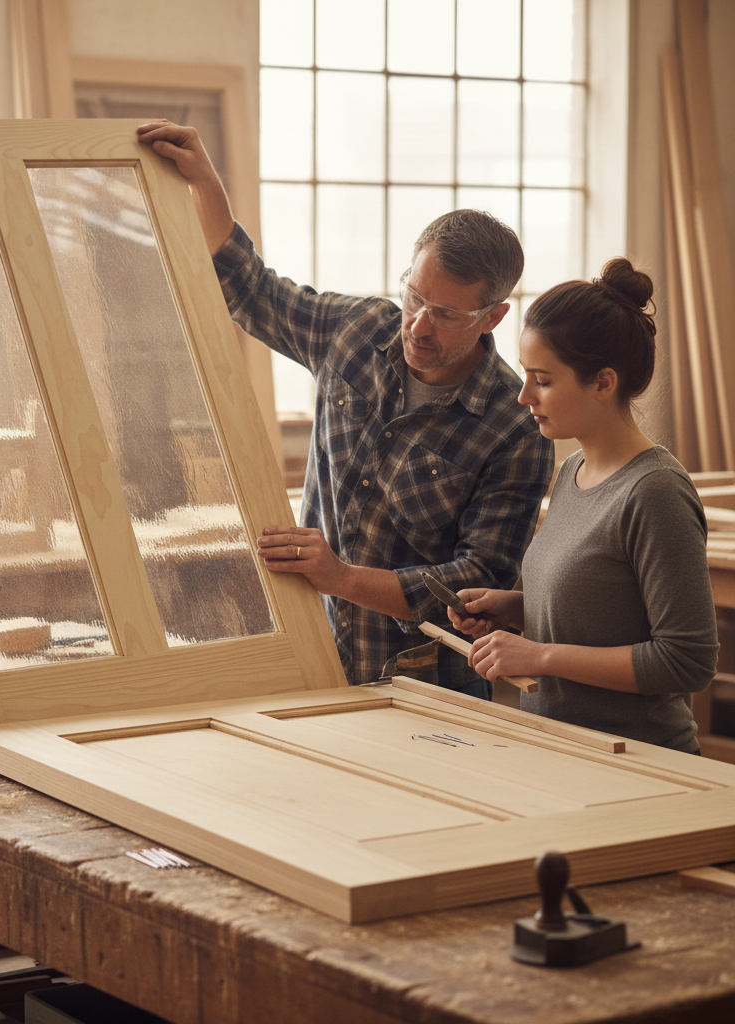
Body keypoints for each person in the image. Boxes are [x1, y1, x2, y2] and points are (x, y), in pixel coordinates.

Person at [137, 121, 554, 696]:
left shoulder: (514, 426)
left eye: (447, 314)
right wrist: (206, 183)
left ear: (494, 317)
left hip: (420, 678)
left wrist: (342, 577)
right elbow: (252, 290)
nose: (419, 325)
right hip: (312, 649)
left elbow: (478, 579)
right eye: (414, 297)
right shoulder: (356, 332)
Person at [447, 258, 718, 752]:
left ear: (603, 383)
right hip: (561, 752)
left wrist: (540, 656)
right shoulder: (571, 472)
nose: (524, 395)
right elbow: (603, 612)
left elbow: (687, 660)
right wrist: (514, 610)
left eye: (543, 380)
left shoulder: (655, 493)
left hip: (640, 762)